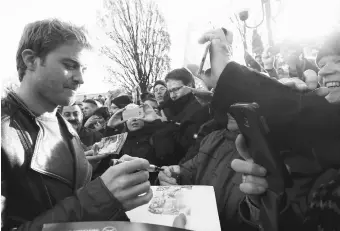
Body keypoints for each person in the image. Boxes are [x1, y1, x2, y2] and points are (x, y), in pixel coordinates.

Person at [198, 27, 340, 230]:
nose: (325, 71)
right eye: (321, 65)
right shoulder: (324, 166)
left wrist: (234, 78)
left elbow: (306, 112)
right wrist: (268, 200)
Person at [1, 19, 153, 231]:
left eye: (83, 69)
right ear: (31, 60)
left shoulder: (63, 122)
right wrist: (101, 195)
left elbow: (67, 194)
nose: (80, 79)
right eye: (69, 65)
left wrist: (111, 175)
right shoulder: (4, 131)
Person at [158, 114, 250, 230]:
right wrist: (175, 175)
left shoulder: (273, 152)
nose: (230, 110)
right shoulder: (213, 138)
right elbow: (193, 168)